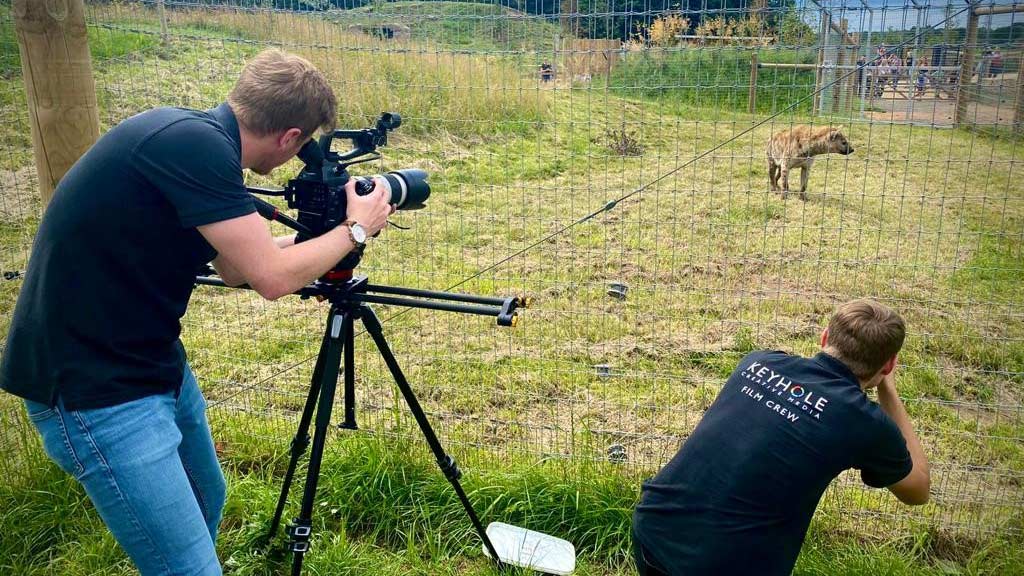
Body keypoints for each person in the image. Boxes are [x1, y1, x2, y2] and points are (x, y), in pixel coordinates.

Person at [0, 48, 393, 574]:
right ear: (289, 137)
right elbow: (271, 280)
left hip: (149, 362)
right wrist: (356, 228)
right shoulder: (197, 152)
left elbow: (239, 267)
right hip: (92, 389)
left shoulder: (193, 141)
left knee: (207, 498)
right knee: (189, 568)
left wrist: (318, 245)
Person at [633, 299, 930, 576]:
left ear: (825, 337)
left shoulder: (758, 362)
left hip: (654, 527)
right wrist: (888, 391)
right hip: (722, 564)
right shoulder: (864, 420)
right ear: (888, 365)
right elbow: (917, 490)